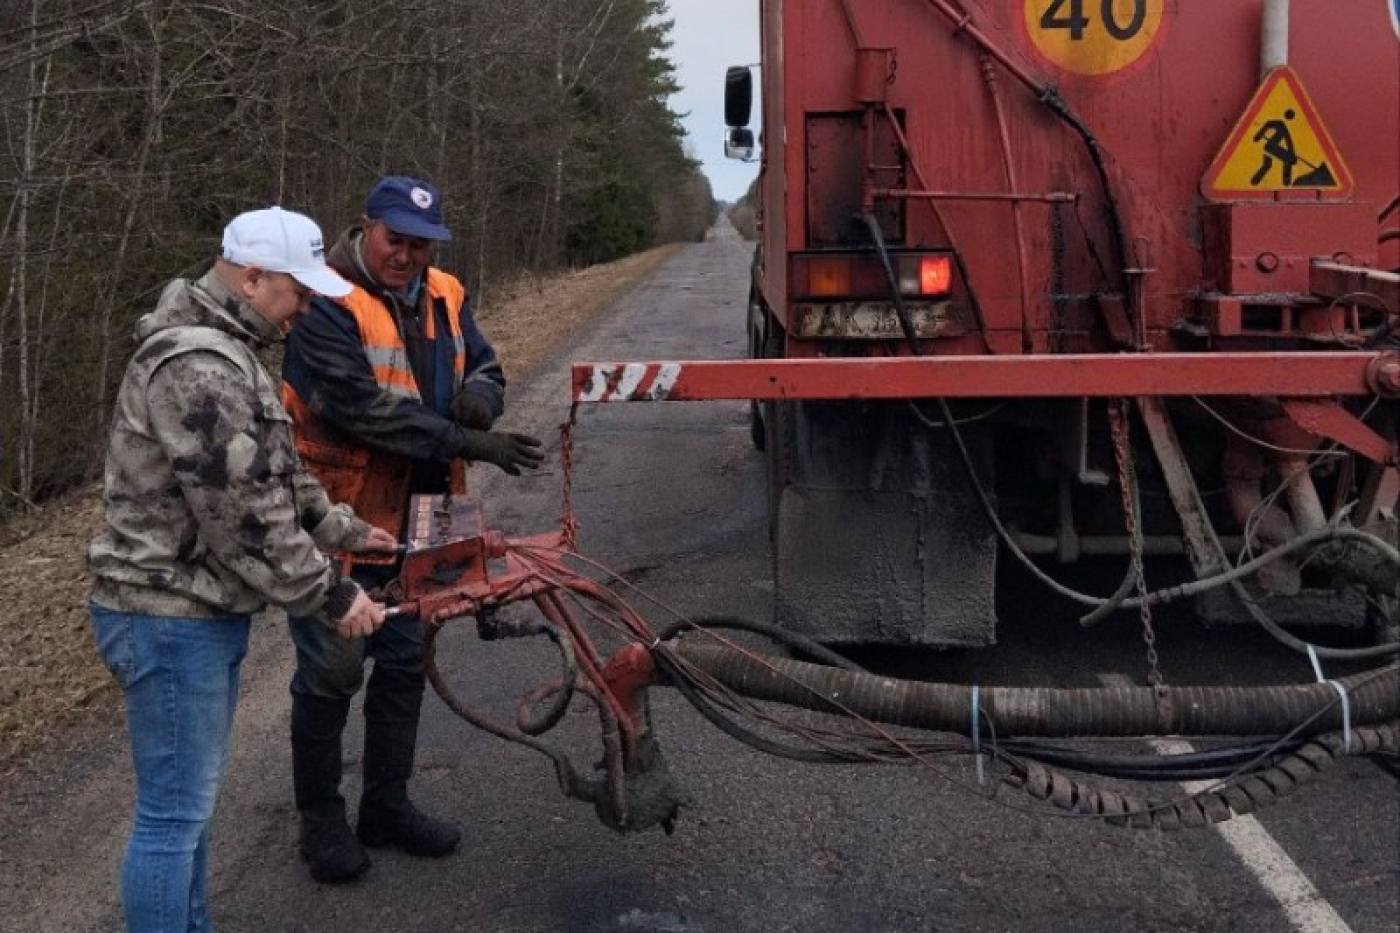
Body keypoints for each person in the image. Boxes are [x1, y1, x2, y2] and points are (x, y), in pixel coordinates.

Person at [87, 206, 397, 932]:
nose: (304, 308)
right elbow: (245, 518)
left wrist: (344, 528)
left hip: (191, 613)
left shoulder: (231, 350)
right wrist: (333, 593)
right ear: (253, 278)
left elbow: (272, 472)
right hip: (167, 616)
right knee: (173, 817)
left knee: (188, 811)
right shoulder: (197, 366)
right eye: (298, 291)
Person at [281, 175, 544, 883]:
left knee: (402, 664)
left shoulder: (447, 292)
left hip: (426, 517)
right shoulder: (324, 300)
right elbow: (359, 410)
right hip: (342, 518)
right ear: (365, 227)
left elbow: (486, 362)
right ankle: (321, 822)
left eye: (420, 245)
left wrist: (481, 400)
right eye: (394, 239)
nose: (405, 255)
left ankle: (386, 806)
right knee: (332, 670)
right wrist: (467, 441)